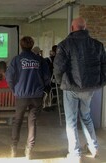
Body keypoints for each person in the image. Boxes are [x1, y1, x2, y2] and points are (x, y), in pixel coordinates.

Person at [53, 17, 106, 162]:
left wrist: (60, 82)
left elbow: (58, 67)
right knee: (86, 117)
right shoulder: (98, 45)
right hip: (90, 88)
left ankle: (75, 153)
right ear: (85, 27)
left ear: (72, 28)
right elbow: (104, 66)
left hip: (71, 87)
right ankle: (94, 147)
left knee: (71, 121)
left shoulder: (65, 45)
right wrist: (100, 82)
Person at [6, 36, 51, 159]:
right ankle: (29, 151)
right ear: (32, 45)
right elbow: (47, 77)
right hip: (37, 96)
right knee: (32, 122)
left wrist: (14, 89)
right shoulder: (40, 60)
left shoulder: (16, 60)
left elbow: (9, 77)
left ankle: (14, 149)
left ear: (21, 45)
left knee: (17, 121)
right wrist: (43, 89)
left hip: (21, 95)